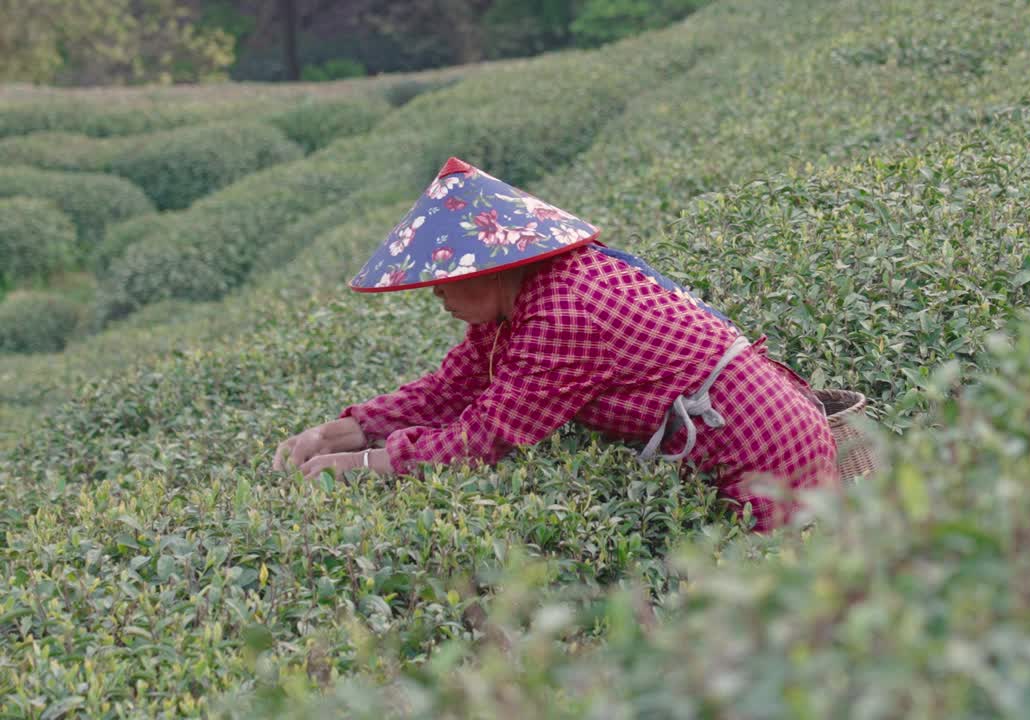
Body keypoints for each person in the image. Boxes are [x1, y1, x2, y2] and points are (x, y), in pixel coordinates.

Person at [273, 157, 837, 531]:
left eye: (445, 279)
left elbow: (485, 437)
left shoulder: (565, 311)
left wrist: (361, 464)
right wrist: (341, 430)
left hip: (762, 452)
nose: (438, 294)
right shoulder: (522, 302)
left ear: (492, 269)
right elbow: (452, 388)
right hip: (740, 434)